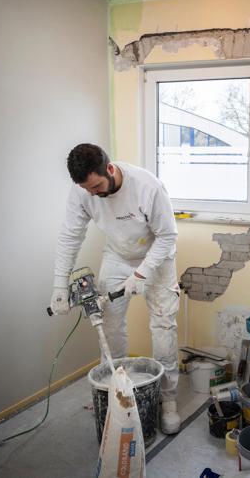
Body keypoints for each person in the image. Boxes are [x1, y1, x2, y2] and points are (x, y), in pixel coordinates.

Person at [50, 143, 181, 434]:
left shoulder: (147, 187)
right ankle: (117, 391)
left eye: (97, 186)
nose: (94, 194)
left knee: (163, 327)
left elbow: (168, 236)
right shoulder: (83, 191)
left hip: (156, 259)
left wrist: (142, 274)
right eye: (88, 190)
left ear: (109, 169)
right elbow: (70, 235)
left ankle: (168, 400)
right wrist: (60, 285)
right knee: (109, 326)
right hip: (117, 257)